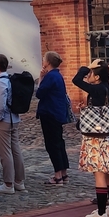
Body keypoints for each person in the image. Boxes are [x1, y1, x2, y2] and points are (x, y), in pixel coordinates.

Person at [72, 59, 109, 217]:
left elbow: (76, 80)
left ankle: (101, 213)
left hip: (96, 138)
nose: (88, 76)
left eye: (91, 74)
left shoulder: (96, 88)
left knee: (99, 173)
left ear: (96, 77)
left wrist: (88, 67)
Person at [0, 54, 25, 195]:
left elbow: (1, 102)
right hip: (13, 118)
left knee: (5, 153)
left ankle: (8, 184)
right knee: (15, 150)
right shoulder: (8, 79)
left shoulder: (0, 82)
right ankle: (19, 181)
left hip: (4, 120)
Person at [37, 51, 70, 186]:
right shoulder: (57, 75)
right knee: (59, 143)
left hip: (49, 113)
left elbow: (39, 93)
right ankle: (63, 172)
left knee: (52, 144)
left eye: (44, 59)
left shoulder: (50, 77)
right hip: (57, 113)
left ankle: (58, 176)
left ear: (48, 62)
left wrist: (40, 78)